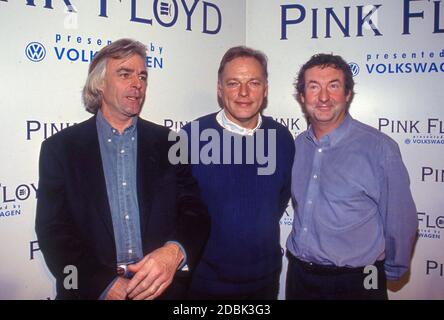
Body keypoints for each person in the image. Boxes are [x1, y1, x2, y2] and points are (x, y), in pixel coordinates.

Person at [35, 38, 209, 300]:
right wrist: (102, 284)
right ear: (100, 84)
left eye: (142, 76)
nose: (137, 84)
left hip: (161, 291)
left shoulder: (169, 142)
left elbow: (194, 210)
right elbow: (53, 230)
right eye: (125, 74)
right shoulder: (60, 149)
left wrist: (173, 253)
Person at [286, 53, 418, 300]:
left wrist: (390, 270)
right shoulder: (297, 146)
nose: (323, 97)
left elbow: (400, 220)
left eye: (333, 86)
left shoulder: (379, 148)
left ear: (347, 94)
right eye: (314, 87)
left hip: (357, 280)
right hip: (300, 277)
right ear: (302, 97)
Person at [180, 46, 295, 299]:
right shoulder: (191, 137)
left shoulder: (282, 139)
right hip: (203, 284)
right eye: (233, 83)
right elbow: (179, 210)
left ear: (265, 90)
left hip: (264, 282)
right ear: (220, 90)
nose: (244, 92)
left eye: (253, 82)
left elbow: (278, 201)